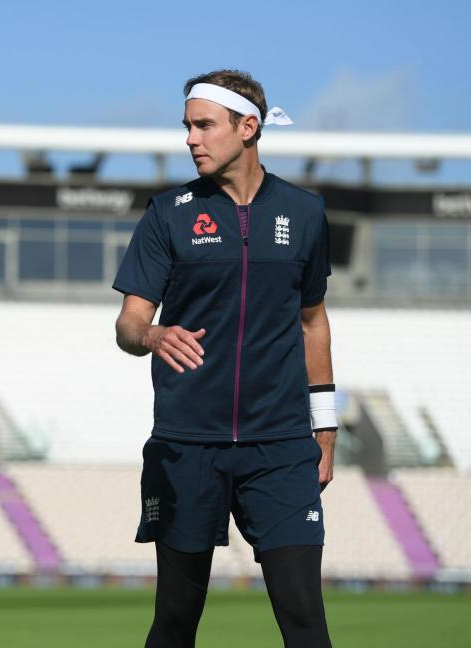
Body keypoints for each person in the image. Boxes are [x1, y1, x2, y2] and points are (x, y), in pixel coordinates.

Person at [113, 70, 336, 648]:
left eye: (204, 125)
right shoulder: (168, 213)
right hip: (187, 445)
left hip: (281, 446)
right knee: (176, 621)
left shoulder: (305, 213)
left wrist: (326, 427)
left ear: (248, 127)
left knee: (305, 620)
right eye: (187, 126)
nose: (191, 138)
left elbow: (313, 321)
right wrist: (155, 336)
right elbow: (128, 323)